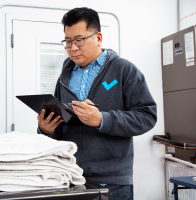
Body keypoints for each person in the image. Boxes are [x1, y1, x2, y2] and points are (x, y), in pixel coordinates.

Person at [37, 7, 157, 200]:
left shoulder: (124, 70)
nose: (73, 48)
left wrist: (102, 119)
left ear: (98, 37)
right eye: (67, 42)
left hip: (112, 180)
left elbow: (147, 116)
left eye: (79, 40)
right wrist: (45, 129)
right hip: (70, 176)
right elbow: (59, 127)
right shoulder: (64, 77)